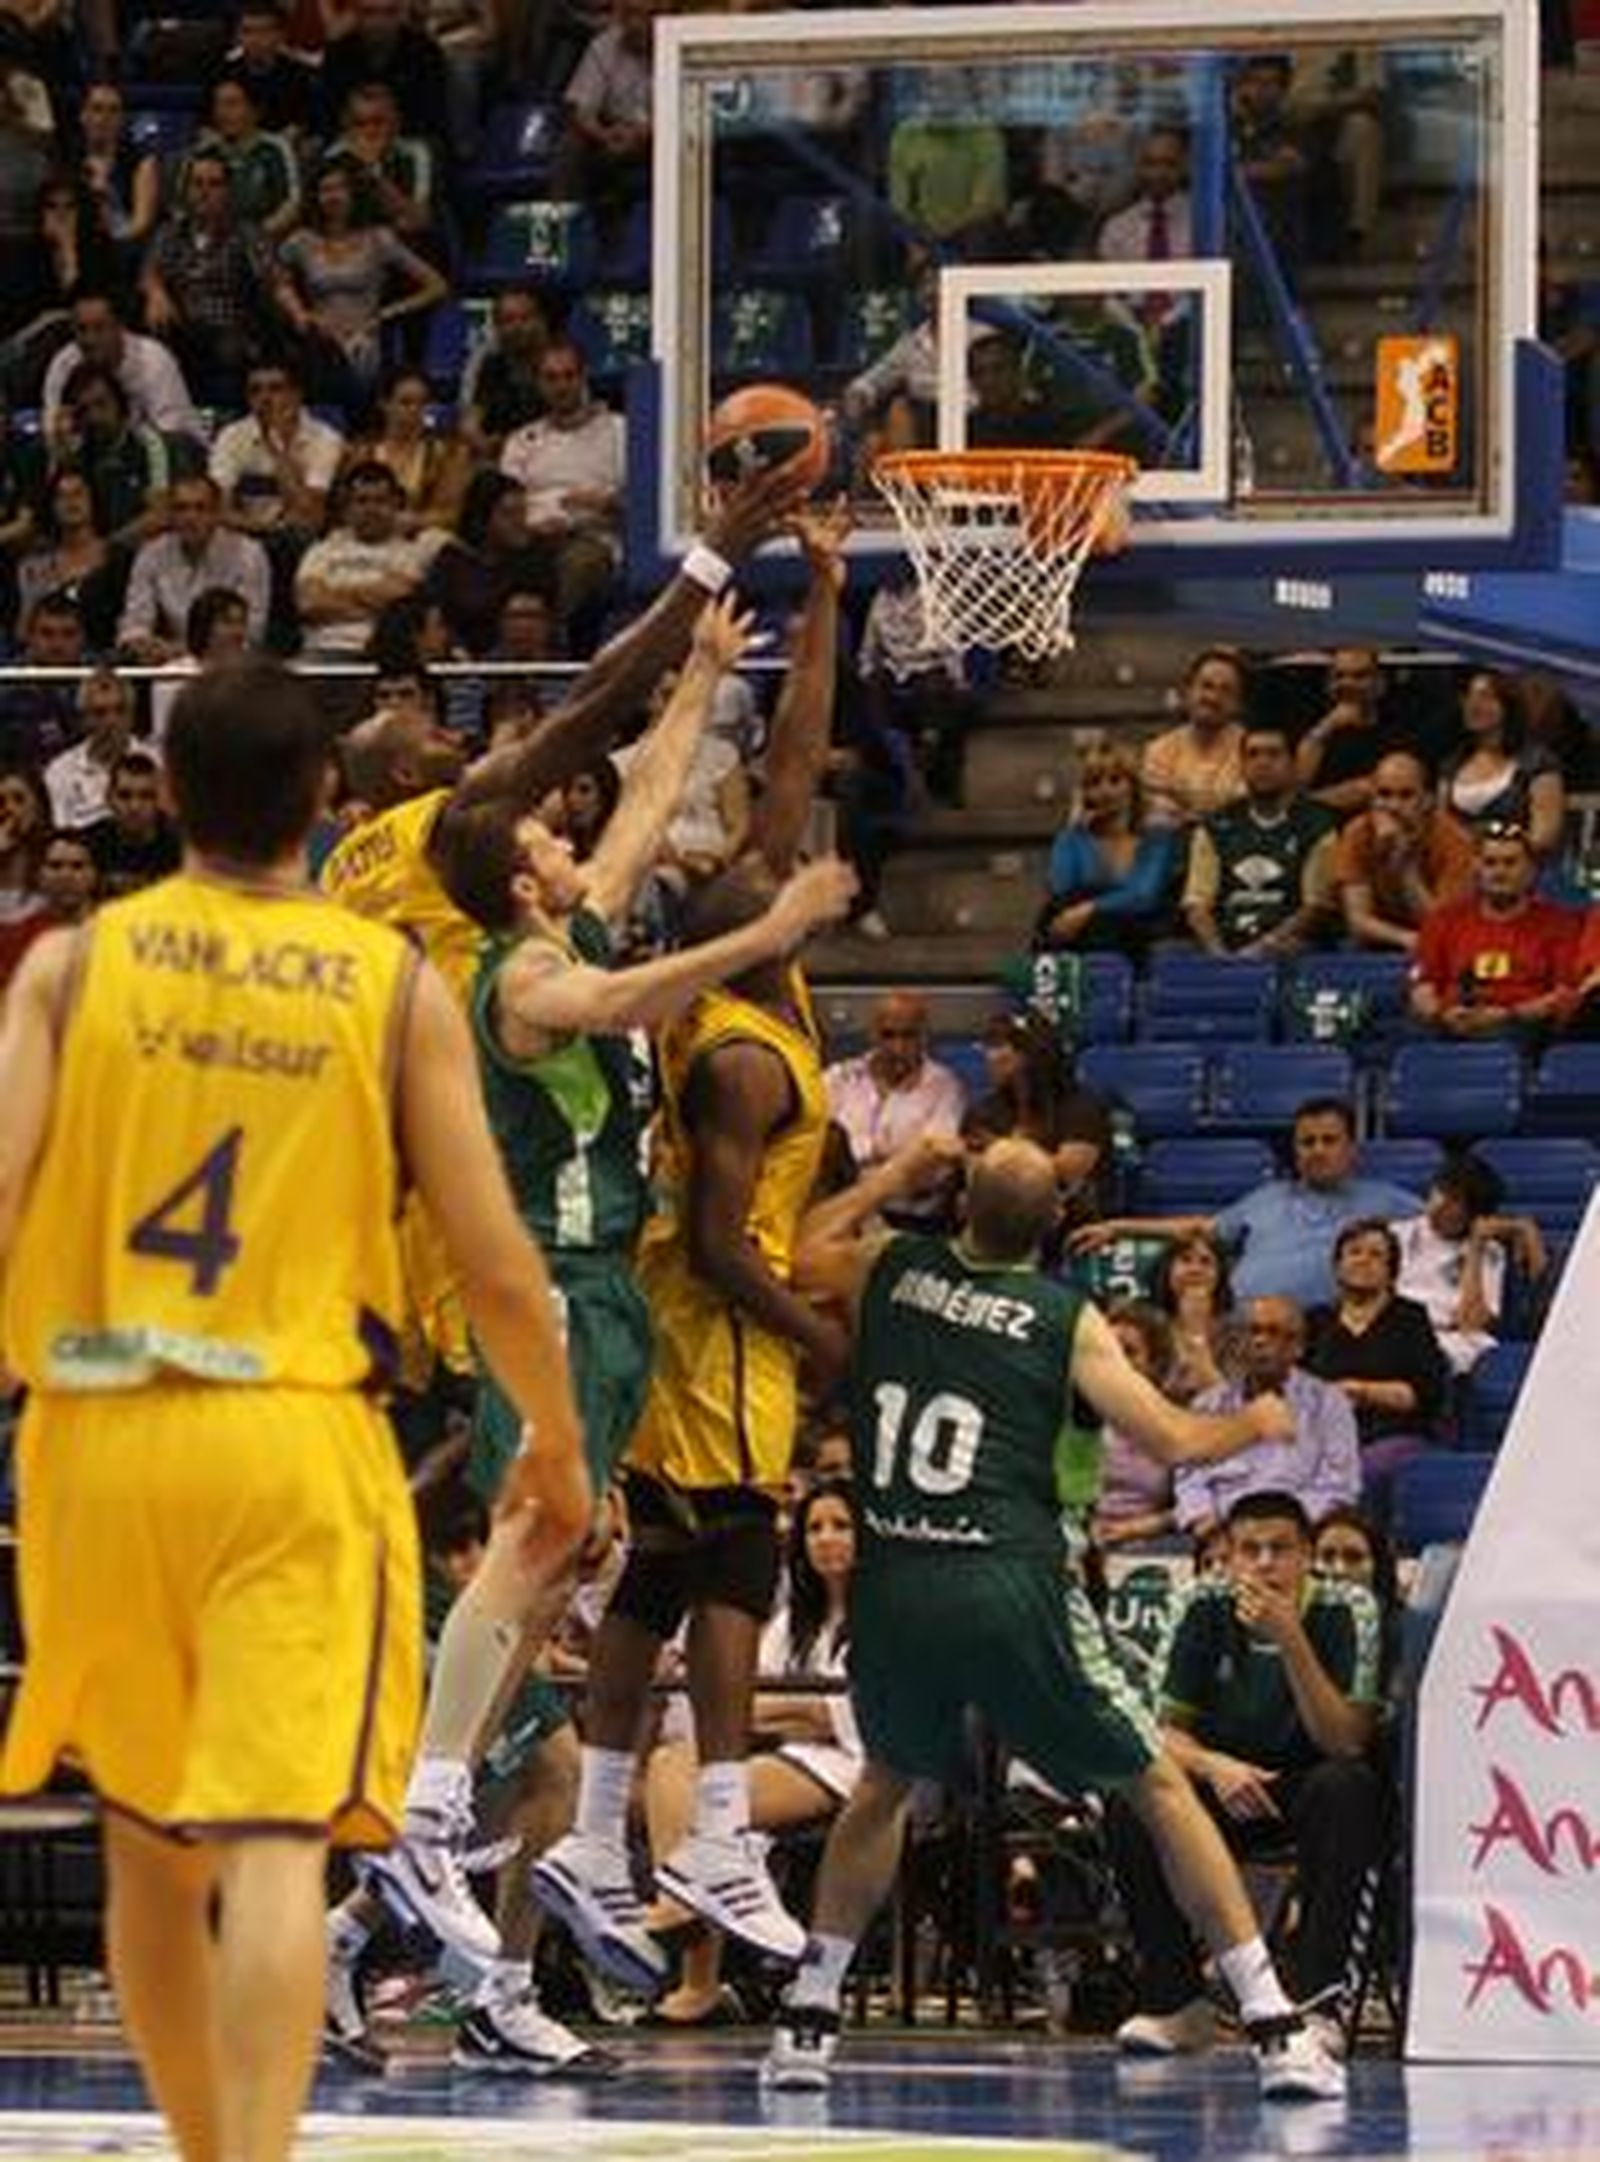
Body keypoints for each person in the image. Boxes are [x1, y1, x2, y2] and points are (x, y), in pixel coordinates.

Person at [0, 656, 590, 2162]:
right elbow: (494, 1254)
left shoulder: (71, 965)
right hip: (287, 1429)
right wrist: (558, 1438)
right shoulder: (385, 983)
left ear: (166, 794)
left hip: (95, 1425)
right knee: (268, 1836)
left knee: (147, 1836)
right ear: (325, 805)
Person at [360, 599, 853, 2000]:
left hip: (604, 1302)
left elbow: (638, 809)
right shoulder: (524, 975)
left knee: (572, 1550)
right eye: (548, 838)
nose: (575, 839)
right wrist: (786, 913)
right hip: (552, 1289)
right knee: (533, 1537)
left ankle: (517, 1841)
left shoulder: (555, 924)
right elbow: (635, 1000)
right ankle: (430, 1805)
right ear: (519, 879)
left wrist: (700, 677)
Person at [759, 1140, 1342, 2101]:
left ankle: (807, 2021)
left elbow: (800, 1244)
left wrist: (893, 1175)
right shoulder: (1064, 1319)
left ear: (959, 1206)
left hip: (896, 1580)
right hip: (1010, 1579)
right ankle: (1275, 2023)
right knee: (1155, 1782)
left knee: (884, 1784)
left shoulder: (891, 1266)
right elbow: (1172, 1437)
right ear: (1061, 1222)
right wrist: (1258, 1423)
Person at [529, 511, 859, 1992]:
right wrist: (822, 1336)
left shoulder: (760, 956)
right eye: (753, 870)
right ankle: (717, 1826)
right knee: (731, 1557)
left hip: (684, 1318)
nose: (770, 855)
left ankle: (599, 1829)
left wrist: (830, 598)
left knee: (662, 1572)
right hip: (713, 1321)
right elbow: (728, 1245)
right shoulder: (736, 1057)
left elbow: (789, 770)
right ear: (738, 926)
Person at [1105, 1489, 1384, 2067]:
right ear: (1227, 1557)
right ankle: (1178, 2002)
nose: (1263, 1563)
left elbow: (1346, 1740)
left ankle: (1315, 2007)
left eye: (1279, 1549)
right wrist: (1216, 1766)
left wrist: (1290, 1640)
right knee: (1129, 1800)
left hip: (1305, 1782)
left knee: (1349, 1788)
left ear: (1307, 1555)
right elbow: (1162, 1735)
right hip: (1222, 1781)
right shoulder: (1200, 1602)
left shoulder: (1348, 1608)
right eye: (1248, 1550)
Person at [644, 1476, 861, 2026]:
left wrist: (795, 1711)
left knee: (703, 1800)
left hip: (855, 1766)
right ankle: (683, 1905)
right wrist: (798, 1712)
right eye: (814, 1528)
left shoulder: (888, 1616)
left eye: (841, 1526)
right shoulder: (791, 1624)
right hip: (792, 1751)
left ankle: (695, 1968)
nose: (826, 1538)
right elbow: (737, 1704)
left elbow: (846, 1718)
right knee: (670, 1764)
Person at [1078, 1097, 1423, 1312]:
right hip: (1236, 1322)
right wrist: (1119, 1227)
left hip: (1317, 1330)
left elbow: (1446, 1226)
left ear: (1351, 1149)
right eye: (1307, 1142)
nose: (1317, 1150)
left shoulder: (1387, 1201)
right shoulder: (1268, 1196)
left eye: (1329, 1141)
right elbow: (1203, 1229)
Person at [1174, 1297, 1361, 1538]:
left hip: (1299, 1531)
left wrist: (1283, 1525)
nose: (1260, 1341)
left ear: (1298, 1347)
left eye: (1274, 1332)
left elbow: (1338, 1486)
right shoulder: (1207, 1404)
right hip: (1219, 1533)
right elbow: (1190, 1480)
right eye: (1253, 1332)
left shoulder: (1329, 1403)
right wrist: (1205, 1520)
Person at [1303, 1219, 1453, 1500]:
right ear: (1337, 1266)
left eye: (1376, 1255)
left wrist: (1361, 1391)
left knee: (1362, 1470)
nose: (1363, 1260)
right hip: (1323, 1436)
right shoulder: (1315, 1320)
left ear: (1391, 1272)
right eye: (1355, 1252)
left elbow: (1425, 1394)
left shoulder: (1410, 1318)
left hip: (1393, 1434)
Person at [1409, 821, 1582, 1039]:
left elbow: (1563, 994)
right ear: (1476, 868)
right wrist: (1441, 1015)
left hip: (1525, 1033)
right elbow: (1422, 987)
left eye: (1510, 863)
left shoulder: (1560, 924)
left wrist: (1509, 1015)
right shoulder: (1442, 921)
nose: (1499, 872)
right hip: (1452, 1032)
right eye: (1490, 863)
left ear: (1531, 870)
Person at [1181, 723, 1337, 956]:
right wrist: (1219, 956)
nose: (1262, 763)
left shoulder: (1317, 825)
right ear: (1241, 766)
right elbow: (1197, 904)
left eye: (1274, 754)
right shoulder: (1215, 825)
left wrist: (1262, 948)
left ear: (1293, 765)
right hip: (1226, 942)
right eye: (1252, 754)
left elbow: (1315, 907)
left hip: (1289, 946)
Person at [1391, 1154, 1545, 1376]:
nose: (1440, 1205)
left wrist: (1476, 1247)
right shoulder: (1396, 1234)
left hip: (1450, 1341)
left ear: (1474, 1214)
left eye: (1455, 1201)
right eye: (1440, 1192)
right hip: (1396, 1335)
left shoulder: (1490, 1252)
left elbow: (1471, 1322)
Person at [1037, 734, 1180, 955]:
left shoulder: (1158, 839)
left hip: (1138, 940)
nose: (1105, 791)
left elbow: (1143, 895)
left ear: (1133, 787)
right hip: (1082, 943)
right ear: (1085, 794)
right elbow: (1061, 891)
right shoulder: (1072, 839)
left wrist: (1089, 909)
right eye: (1094, 783)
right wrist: (1073, 828)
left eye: (1115, 780)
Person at [116, 472, 272, 660]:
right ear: (170, 515)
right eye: (181, 509)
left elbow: (252, 633)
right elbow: (135, 622)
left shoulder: (249, 555)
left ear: (217, 513)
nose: (190, 517)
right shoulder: (151, 554)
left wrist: (181, 650)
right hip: (168, 662)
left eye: (200, 508)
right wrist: (142, 644)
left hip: (232, 663)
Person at [823, 992, 967, 1191]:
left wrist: (854, 1158)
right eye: (888, 1035)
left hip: (910, 1214)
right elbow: (819, 1149)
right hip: (838, 1204)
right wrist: (886, 1152)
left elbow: (931, 1160)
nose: (898, 1047)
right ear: (872, 1034)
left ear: (924, 1036)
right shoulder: (838, 1079)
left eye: (908, 1036)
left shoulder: (945, 1086)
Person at [1335, 750, 1476, 952]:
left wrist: (1406, 869)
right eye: (1384, 794)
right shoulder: (1357, 833)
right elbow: (1358, 921)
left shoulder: (1454, 840)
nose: (1393, 806)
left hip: (1444, 942)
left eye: (1406, 795)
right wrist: (1405, 938)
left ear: (1427, 799)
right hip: (1385, 940)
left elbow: (1443, 927)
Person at [1436, 669, 1565, 864]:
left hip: (1520, 870)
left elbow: (1544, 838)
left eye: (1485, 697)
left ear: (1508, 705)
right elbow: (1440, 826)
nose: (1474, 705)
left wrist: (1494, 838)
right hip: (1461, 869)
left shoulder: (1537, 762)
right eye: (1469, 696)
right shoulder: (1453, 762)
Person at [1140, 647, 1250, 829]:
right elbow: (1156, 813)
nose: (1213, 697)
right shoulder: (1158, 750)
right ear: (1188, 691)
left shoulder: (1253, 749)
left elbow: (1246, 809)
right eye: (1206, 686)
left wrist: (1181, 798)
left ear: (1238, 703)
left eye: (1226, 690)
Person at [42, 666, 136, 830]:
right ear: (83, 720)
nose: (111, 722)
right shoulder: (60, 771)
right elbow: (60, 831)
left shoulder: (156, 763)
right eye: (100, 713)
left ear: (131, 715)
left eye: (120, 711)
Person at [84, 749, 182, 898]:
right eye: (124, 796)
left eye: (146, 796)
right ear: (108, 799)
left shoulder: (182, 847)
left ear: (160, 800)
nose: (134, 807)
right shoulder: (89, 846)